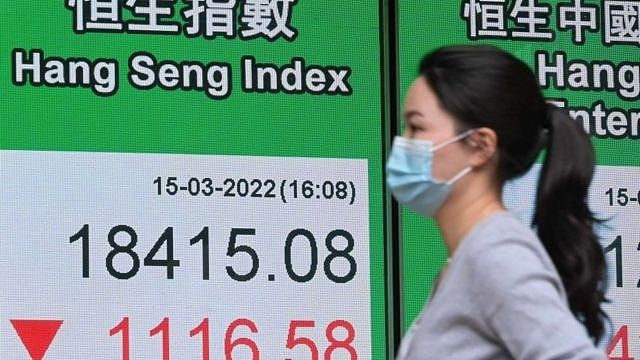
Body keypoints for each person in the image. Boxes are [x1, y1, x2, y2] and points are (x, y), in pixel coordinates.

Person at [387, 45, 608, 359]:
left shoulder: (496, 254)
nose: (402, 143)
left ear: (480, 146)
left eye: (417, 127)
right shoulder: (469, 258)